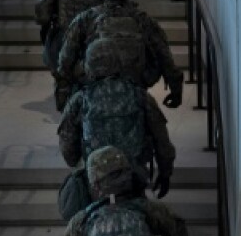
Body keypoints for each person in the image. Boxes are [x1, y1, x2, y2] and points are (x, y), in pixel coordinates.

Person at [58, 39, 176, 196]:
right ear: (119, 62)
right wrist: (165, 171)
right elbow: (161, 139)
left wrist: (79, 163)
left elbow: (67, 146)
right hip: (132, 177)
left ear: (89, 65)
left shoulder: (80, 100)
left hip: (97, 180)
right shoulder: (139, 95)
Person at [58, 0, 185, 108]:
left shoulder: (86, 19)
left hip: (92, 85)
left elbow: (65, 59)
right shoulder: (144, 21)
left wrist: (63, 90)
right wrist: (175, 88)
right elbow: (164, 56)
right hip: (135, 85)